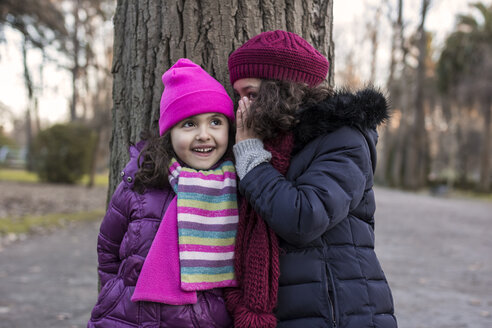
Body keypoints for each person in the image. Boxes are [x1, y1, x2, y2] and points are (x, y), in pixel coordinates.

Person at [224, 30, 398, 328]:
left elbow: (304, 217)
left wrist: (251, 159)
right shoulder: (263, 143)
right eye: (238, 96)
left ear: (280, 89)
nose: (243, 108)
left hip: (339, 313)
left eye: (251, 95)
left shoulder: (343, 138)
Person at [88, 58, 238, 328]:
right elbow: (108, 248)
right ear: (169, 133)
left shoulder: (234, 190)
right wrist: (112, 294)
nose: (204, 135)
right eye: (189, 124)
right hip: (126, 316)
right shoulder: (140, 185)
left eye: (215, 122)